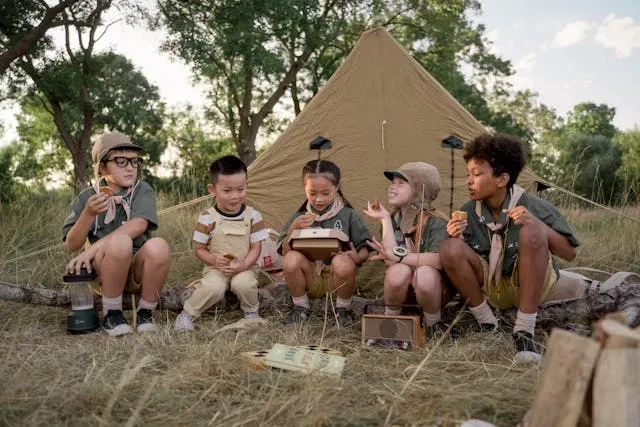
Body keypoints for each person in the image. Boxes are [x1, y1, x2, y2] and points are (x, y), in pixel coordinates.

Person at [440, 133, 580, 362]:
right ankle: (488, 322)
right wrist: (456, 237)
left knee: (532, 231)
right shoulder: (469, 210)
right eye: (467, 174)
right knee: (449, 247)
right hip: (493, 288)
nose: (468, 181)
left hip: (531, 285)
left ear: (502, 180)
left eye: (476, 174)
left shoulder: (533, 205)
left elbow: (569, 253)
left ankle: (524, 331)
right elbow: (468, 260)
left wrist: (536, 224)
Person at [62, 131, 170, 336]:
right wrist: (88, 213)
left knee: (159, 246)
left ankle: (146, 312)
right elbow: (72, 244)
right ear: (102, 167)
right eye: (121, 161)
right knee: (120, 243)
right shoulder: (88, 196)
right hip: (104, 272)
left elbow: (138, 224)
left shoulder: (141, 190)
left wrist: (91, 249)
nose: (130, 167)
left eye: (134, 161)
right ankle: (112, 313)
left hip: (137, 271)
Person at [175, 155, 269, 331]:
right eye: (227, 191)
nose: (235, 196)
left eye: (240, 189)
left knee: (243, 283)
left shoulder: (253, 216)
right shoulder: (207, 217)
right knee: (214, 287)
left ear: (246, 185)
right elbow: (199, 249)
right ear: (213, 189)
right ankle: (187, 314)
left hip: (245, 266)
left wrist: (245, 265)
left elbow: (256, 247)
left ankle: (251, 313)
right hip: (216, 268)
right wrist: (214, 260)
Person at [364, 162, 455, 338]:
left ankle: (433, 324)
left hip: (433, 291)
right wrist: (384, 219)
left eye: (401, 183)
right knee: (397, 270)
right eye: (393, 182)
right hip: (403, 293)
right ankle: (390, 323)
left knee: (425, 273)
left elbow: (437, 260)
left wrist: (398, 256)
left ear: (420, 190)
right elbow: (390, 260)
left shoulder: (435, 221)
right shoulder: (392, 220)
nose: (392, 187)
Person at [278, 159, 372, 326]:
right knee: (292, 258)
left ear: (336, 188)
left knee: (342, 261)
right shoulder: (299, 216)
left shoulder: (348, 214)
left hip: (337, 281)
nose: (318, 199)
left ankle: (343, 310)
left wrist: (356, 258)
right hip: (309, 277)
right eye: (312, 193)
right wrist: (293, 228)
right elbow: (285, 252)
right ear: (304, 189)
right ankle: (300, 308)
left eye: (325, 193)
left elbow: (365, 247)